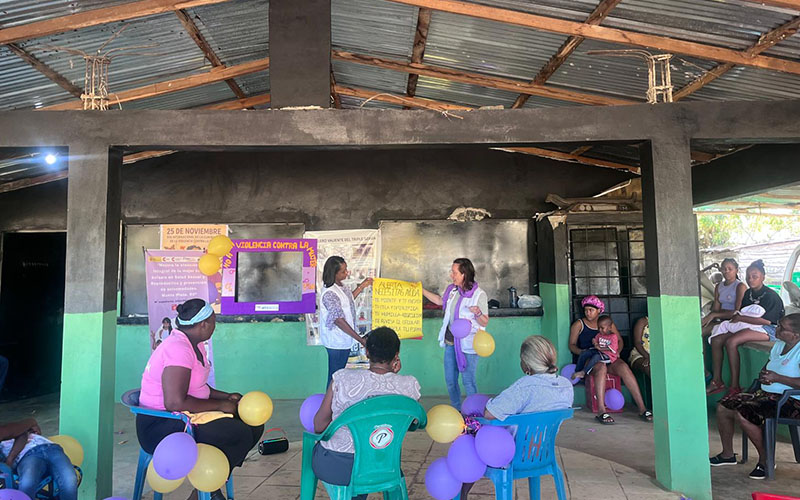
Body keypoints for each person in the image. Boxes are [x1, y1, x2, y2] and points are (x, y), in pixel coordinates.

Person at [136, 299, 262, 500]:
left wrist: (226, 397)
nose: (215, 327)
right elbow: (174, 402)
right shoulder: (178, 348)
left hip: (181, 416)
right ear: (203, 324)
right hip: (160, 425)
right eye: (213, 322)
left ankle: (208, 488)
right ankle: (208, 491)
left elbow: (198, 387)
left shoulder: (195, 344)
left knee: (253, 425)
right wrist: (221, 405)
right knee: (238, 433)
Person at [312, 327, 420, 500]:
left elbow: (319, 426)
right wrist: (392, 377)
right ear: (396, 354)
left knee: (316, 445)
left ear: (367, 352)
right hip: (384, 465)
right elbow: (410, 423)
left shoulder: (342, 379)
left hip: (340, 468)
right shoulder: (409, 386)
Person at [460, 335, 573, 500]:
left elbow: (490, 413)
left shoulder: (525, 386)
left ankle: (461, 494)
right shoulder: (566, 385)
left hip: (513, 454)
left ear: (526, 364)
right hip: (542, 453)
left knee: (469, 439)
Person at [709, 314, 800, 479]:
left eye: (782, 328)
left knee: (744, 413)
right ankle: (727, 455)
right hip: (766, 394)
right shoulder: (779, 345)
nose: (777, 329)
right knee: (724, 406)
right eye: (778, 325)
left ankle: (766, 460)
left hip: (791, 401)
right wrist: (764, 376)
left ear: (796, 335)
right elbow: (767, 367)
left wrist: (778, 378)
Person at [568, 295, 652, 425]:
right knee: (601, 367)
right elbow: (572, 345)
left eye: (591, 310)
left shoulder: (606, 323)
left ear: (599, 311)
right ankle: (601, 411)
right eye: (586, 310)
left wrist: (617, 352)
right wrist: (583, 352)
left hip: (608, 356)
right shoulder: (579, 324)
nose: (588, 313)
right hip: (591, 359)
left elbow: (619, 341)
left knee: (623, 367)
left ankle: (642, 409)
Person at [707, 259, 785, 396]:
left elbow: (767, 321)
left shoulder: (771, 296)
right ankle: (717, 380)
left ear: (763, 277)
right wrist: (739, 319)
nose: (750, 279)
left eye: (755, 276)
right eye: (748, 276)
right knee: (716, 339)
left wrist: (741, 319)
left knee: (732, 341)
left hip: (770, 329)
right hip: (750, 324)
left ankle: (735, 386)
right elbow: (743, 312)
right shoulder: (748, 294)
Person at [422, 258, 489, 411]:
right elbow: (440, 301)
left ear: (464, 274)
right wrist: (421, 290)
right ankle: (457, 410)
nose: (451, 275)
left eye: (454, 272)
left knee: (468, 381)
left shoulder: (479, 294)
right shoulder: (452, 290)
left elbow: (484, 322)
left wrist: (478, 313)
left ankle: (474, 413)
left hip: (468, 344)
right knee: (450, 380)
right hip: (450, 342)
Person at [319, 256, 373, 388]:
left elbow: (347, 302)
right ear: (334, 273)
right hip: (337, 341)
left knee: (338, 375)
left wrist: (362, 286)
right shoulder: (330, 293)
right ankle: (331, 400)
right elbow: (338, 320)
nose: (347, 273)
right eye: (343, 271)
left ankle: (334, 398)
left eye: (346, 269)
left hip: (343, 339)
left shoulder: (340, 286)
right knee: (335, 376)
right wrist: (361, 340)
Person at [0, 417, 77, 500]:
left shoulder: (5, 434)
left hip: (51, 448)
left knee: (70, 479)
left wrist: (10, 460)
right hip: (28, 455)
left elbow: (21, 432)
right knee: (28, 482)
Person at [701, 258, 747, 336]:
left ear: (736, 270)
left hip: (733, 321)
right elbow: (716, 309)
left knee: (703, 332)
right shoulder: (719, 286)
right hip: (721, 319)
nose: (726, 271)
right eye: (724, 269)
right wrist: (707, 318)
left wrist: (714, 315)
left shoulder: (740, 286)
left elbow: (737, 312)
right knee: (698, 328)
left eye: (730, 269)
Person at [571, 315, 618, 381]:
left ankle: (584, 372)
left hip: (608, 355)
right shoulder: (599, 334)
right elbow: (595, 340)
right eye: (598, 328)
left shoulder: (613, 337)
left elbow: (613, 348)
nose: (600, 330)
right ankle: (577, 370)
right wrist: (595, 342)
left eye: (602, 328)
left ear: (609, 328)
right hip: (599, 351)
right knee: (585, 353)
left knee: (596, 357)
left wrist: (600, 348)